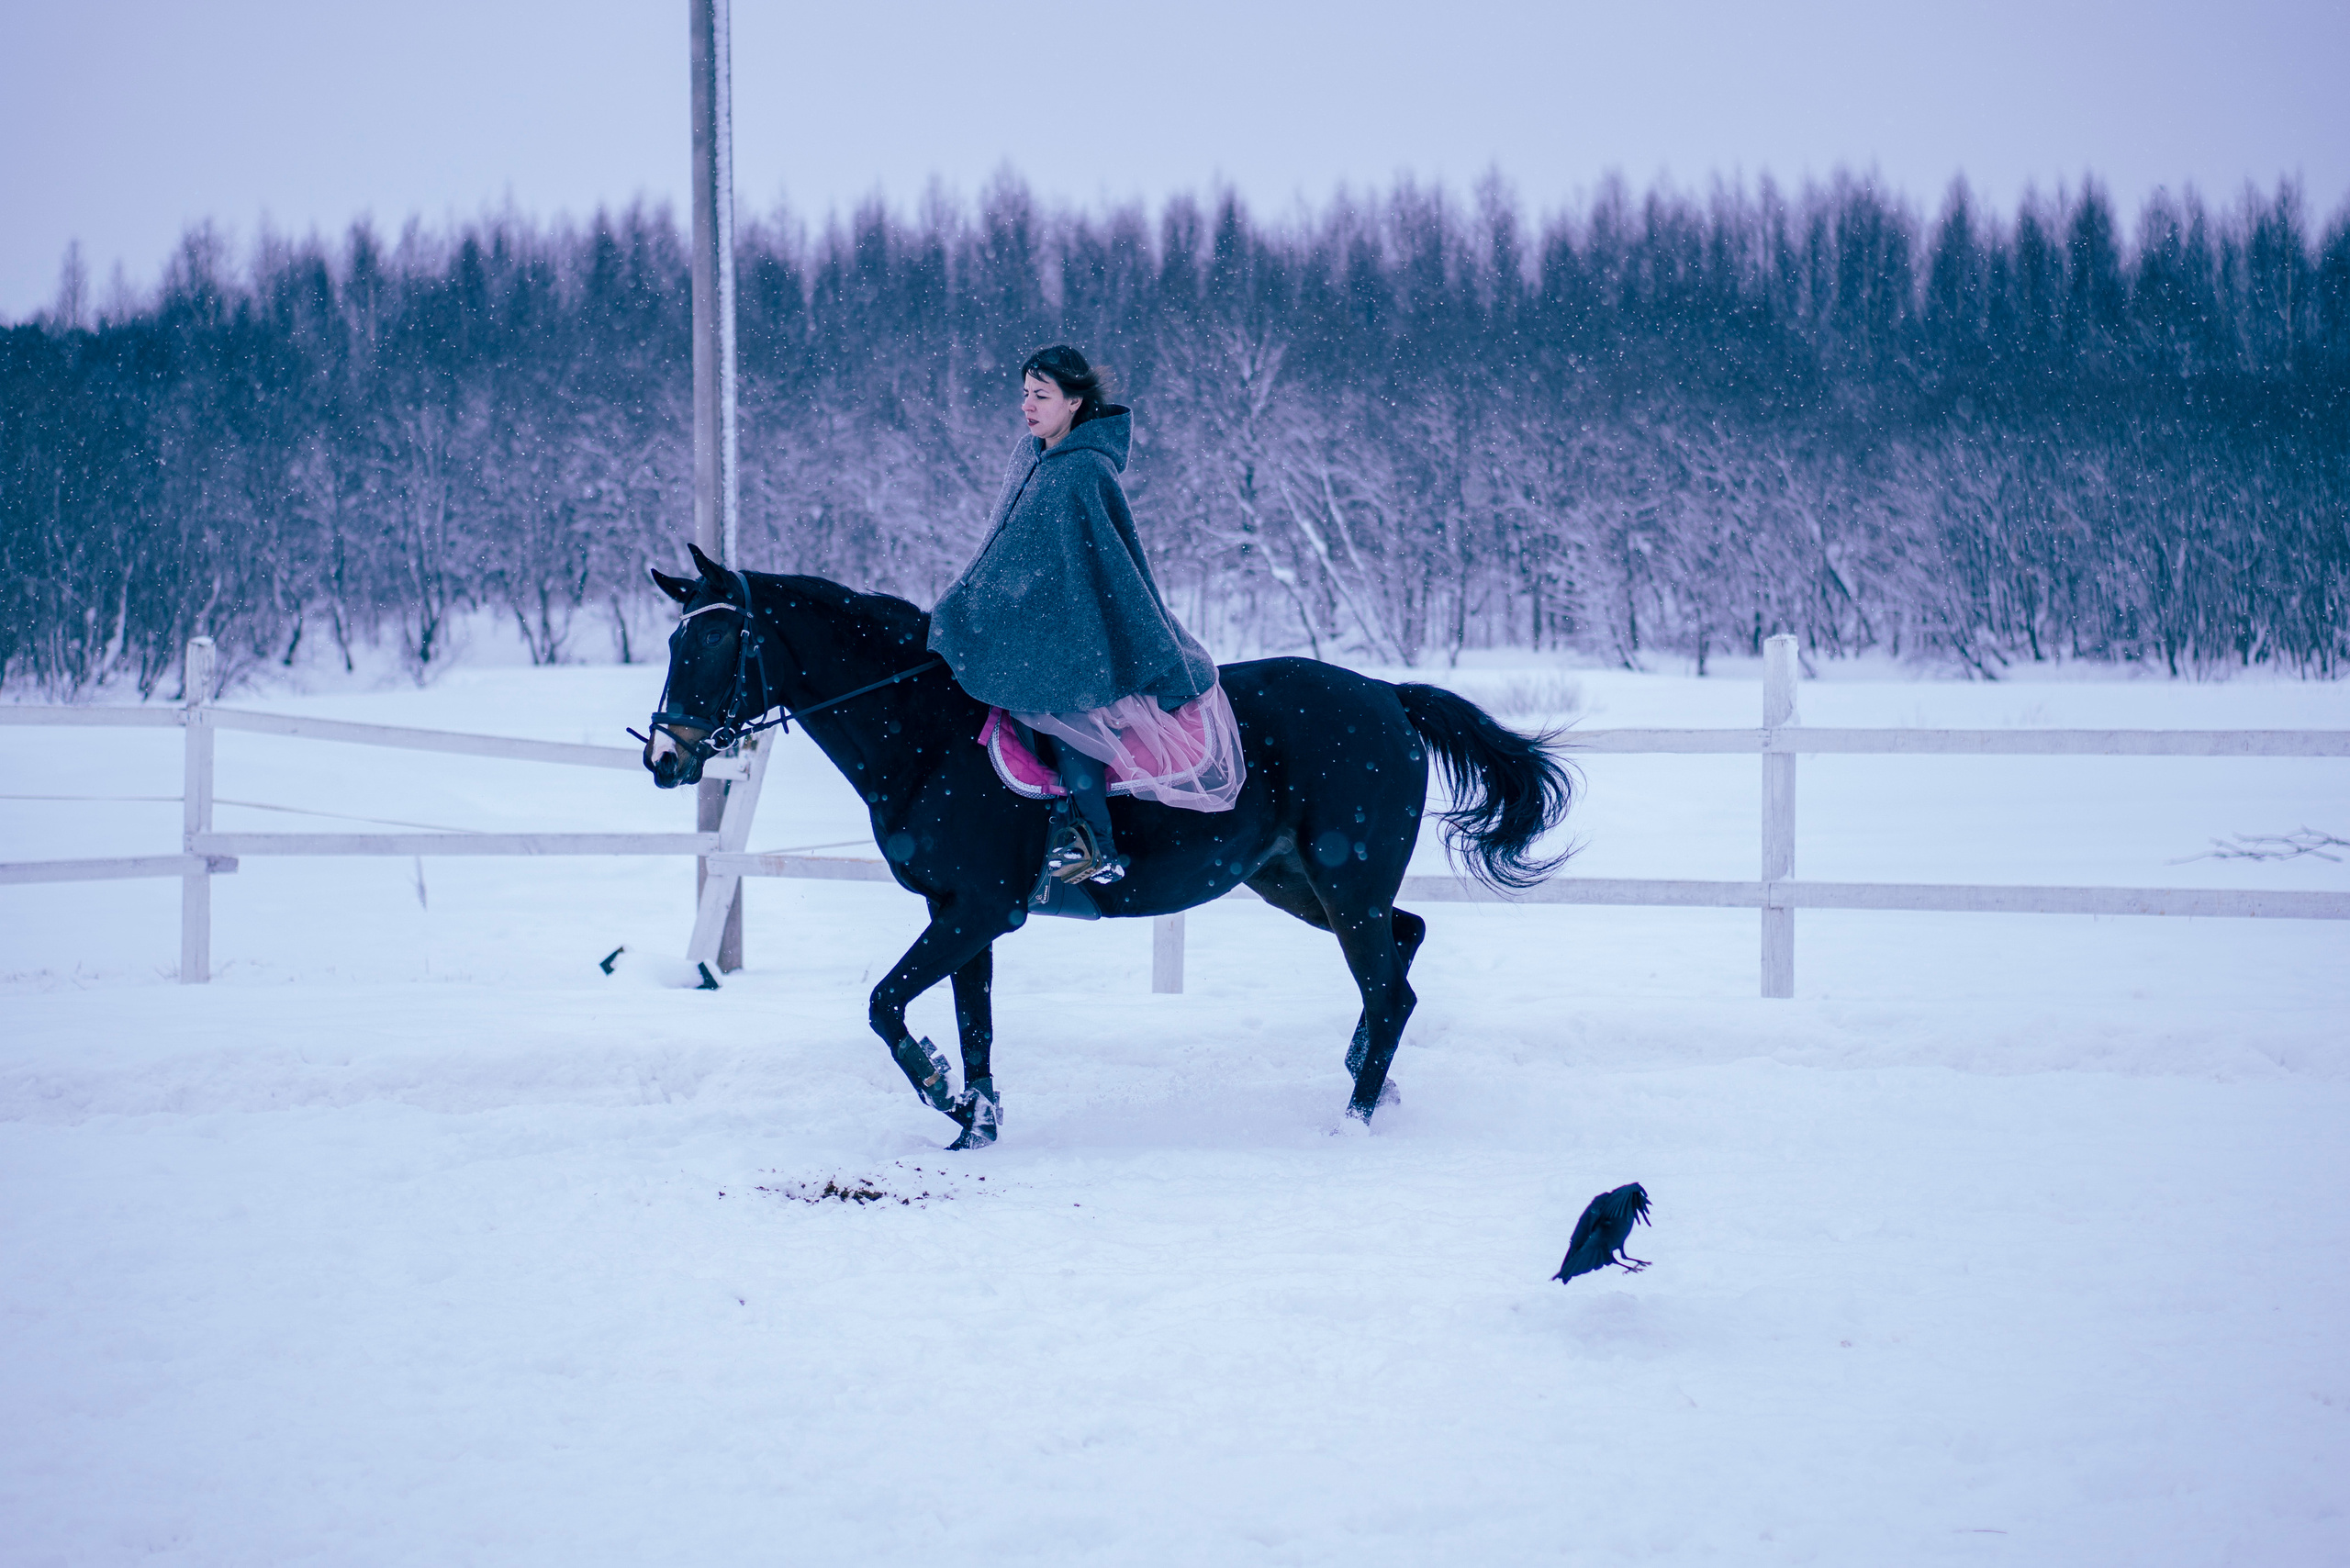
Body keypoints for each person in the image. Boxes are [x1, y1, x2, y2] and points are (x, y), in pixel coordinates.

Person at [929, 345, 1245, 885]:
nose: (1028, 406)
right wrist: (972, 602)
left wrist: (1049, 624)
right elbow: (1003, 549)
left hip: (1083, 640)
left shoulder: (1083, 473)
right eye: (1025, 394)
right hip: (1031, 630)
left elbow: (1108, 571)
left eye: (1042, 396)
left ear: (1074, 403)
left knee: (1068, 716)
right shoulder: (1026, 457)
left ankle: (1095, 843)